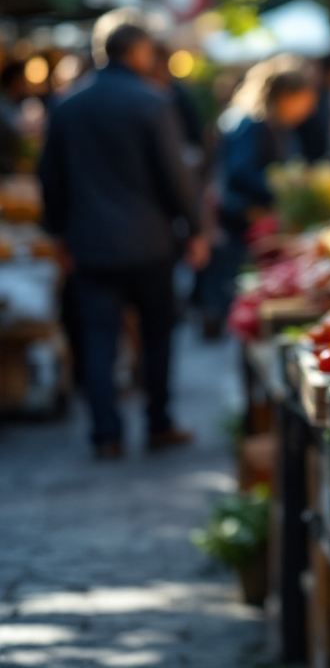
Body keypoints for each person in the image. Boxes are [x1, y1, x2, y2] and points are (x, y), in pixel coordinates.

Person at [38, 24, 208, 459]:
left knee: (98, 340)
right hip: (149, 242)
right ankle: (158, 422)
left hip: (90, 243)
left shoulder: (67, 105)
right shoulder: (152, 102)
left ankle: (106, 433)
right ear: (136, 51)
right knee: (156, 336)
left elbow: (50, 179)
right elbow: (176, 176)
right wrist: (196, 229)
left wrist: (57, 234)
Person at [199, 56, 317, 332]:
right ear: (285, 96)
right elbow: (240, 172)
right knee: (236, 279)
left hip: (249, 215)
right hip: (243, 217)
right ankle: (222, 319)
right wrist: (280, 187)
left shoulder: (267, 124)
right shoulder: (252, 124)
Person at [0, 61, 27, 174]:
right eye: (23, 79)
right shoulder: (4, 107)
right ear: (15, 80)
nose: (25, 83)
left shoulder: (13, 104)